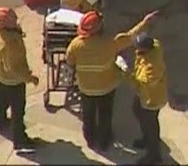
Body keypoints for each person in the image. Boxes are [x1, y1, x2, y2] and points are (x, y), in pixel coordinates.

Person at [65, 9, 158, 152]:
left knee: (88, 115)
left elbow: (70, 62)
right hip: (106, 88)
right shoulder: (110, 43)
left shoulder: (75, 45)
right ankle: (104, 140)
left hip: (85, 88)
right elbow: (130, 37)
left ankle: (90, 139)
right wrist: (145, 23)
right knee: (105, 114)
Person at [0, 7, 40, 153]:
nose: (16, 20)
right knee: (18, 110)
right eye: (13, 19)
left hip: (2, 75)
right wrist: (29, 78)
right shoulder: (9, 43)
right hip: (14, 80)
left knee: (1, 98)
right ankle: (20, 140)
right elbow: (13, 67)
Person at [128, 33, 167, 165]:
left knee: (150, 126)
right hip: (143, 95)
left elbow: (140, 81)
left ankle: (154, 156)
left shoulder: (152, 67)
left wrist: (125, 73)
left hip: (151, 99)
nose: (135, 49)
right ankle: (146, 139)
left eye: (138, 47)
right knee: (136, 110)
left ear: (146, 50)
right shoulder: (154, 45)